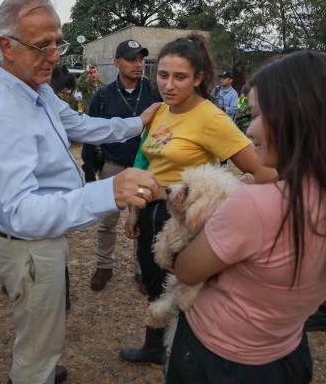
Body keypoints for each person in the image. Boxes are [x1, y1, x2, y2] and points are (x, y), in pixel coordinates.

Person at [0, 0, 161, 384]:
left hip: (42, 240)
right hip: (30, 244)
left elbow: (81, 125)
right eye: (42, 45)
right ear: (6, 46)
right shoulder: (3, 111)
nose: (54, 55)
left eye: (58, 42)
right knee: (37, 349)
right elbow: (22, 211)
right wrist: (108, 190)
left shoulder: (34, 91)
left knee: (44, 333)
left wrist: (137, 123)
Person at [167, 50, 326, 383]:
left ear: (295, 118)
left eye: (256, 115)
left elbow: (186, 269)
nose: (250, 129)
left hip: (218, 355)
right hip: (285, 350)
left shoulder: (254, 205)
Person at [120, 34, 277, 368]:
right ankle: (153, 347)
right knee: (153, 282)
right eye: (163, 75)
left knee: (185, 288)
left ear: (198, 79)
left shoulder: (211, 119)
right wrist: (134, 209)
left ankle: (182, 355)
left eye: (180, 77)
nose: (169, 85)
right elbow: (144, 160)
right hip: (150, 212)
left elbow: (263, 171)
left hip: (184, 219)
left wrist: (224, 193)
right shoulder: (160, 111)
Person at [87, 39, 162, 292]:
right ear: (117, 63)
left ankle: (141, 270)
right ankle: (104, 266)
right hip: (112, 167)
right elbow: (91, 134)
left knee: (141, 221)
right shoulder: (103, 96)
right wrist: (90, 170)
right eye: (131, 59)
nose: (138, 64)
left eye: (140, 59)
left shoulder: (153, 92)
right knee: (107, 221)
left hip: (145, 169)